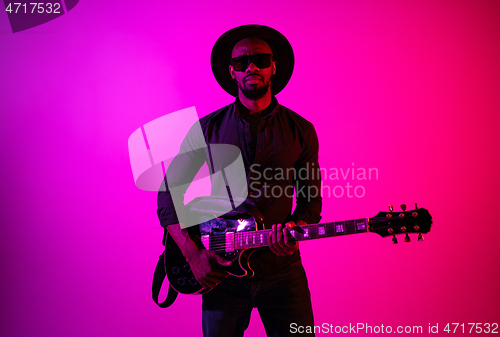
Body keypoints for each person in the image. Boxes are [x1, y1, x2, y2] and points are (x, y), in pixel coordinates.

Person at [157, 24, 322, 337]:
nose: (251, 67)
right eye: (241, 62)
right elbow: (168, 195)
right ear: (231, 72)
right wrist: (193, 254)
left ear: (274, 67)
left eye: (260, 59)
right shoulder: (207, 129)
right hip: (221, 273)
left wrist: (293, 230)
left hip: (282, 273)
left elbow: (311, 201)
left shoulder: (301, 130)